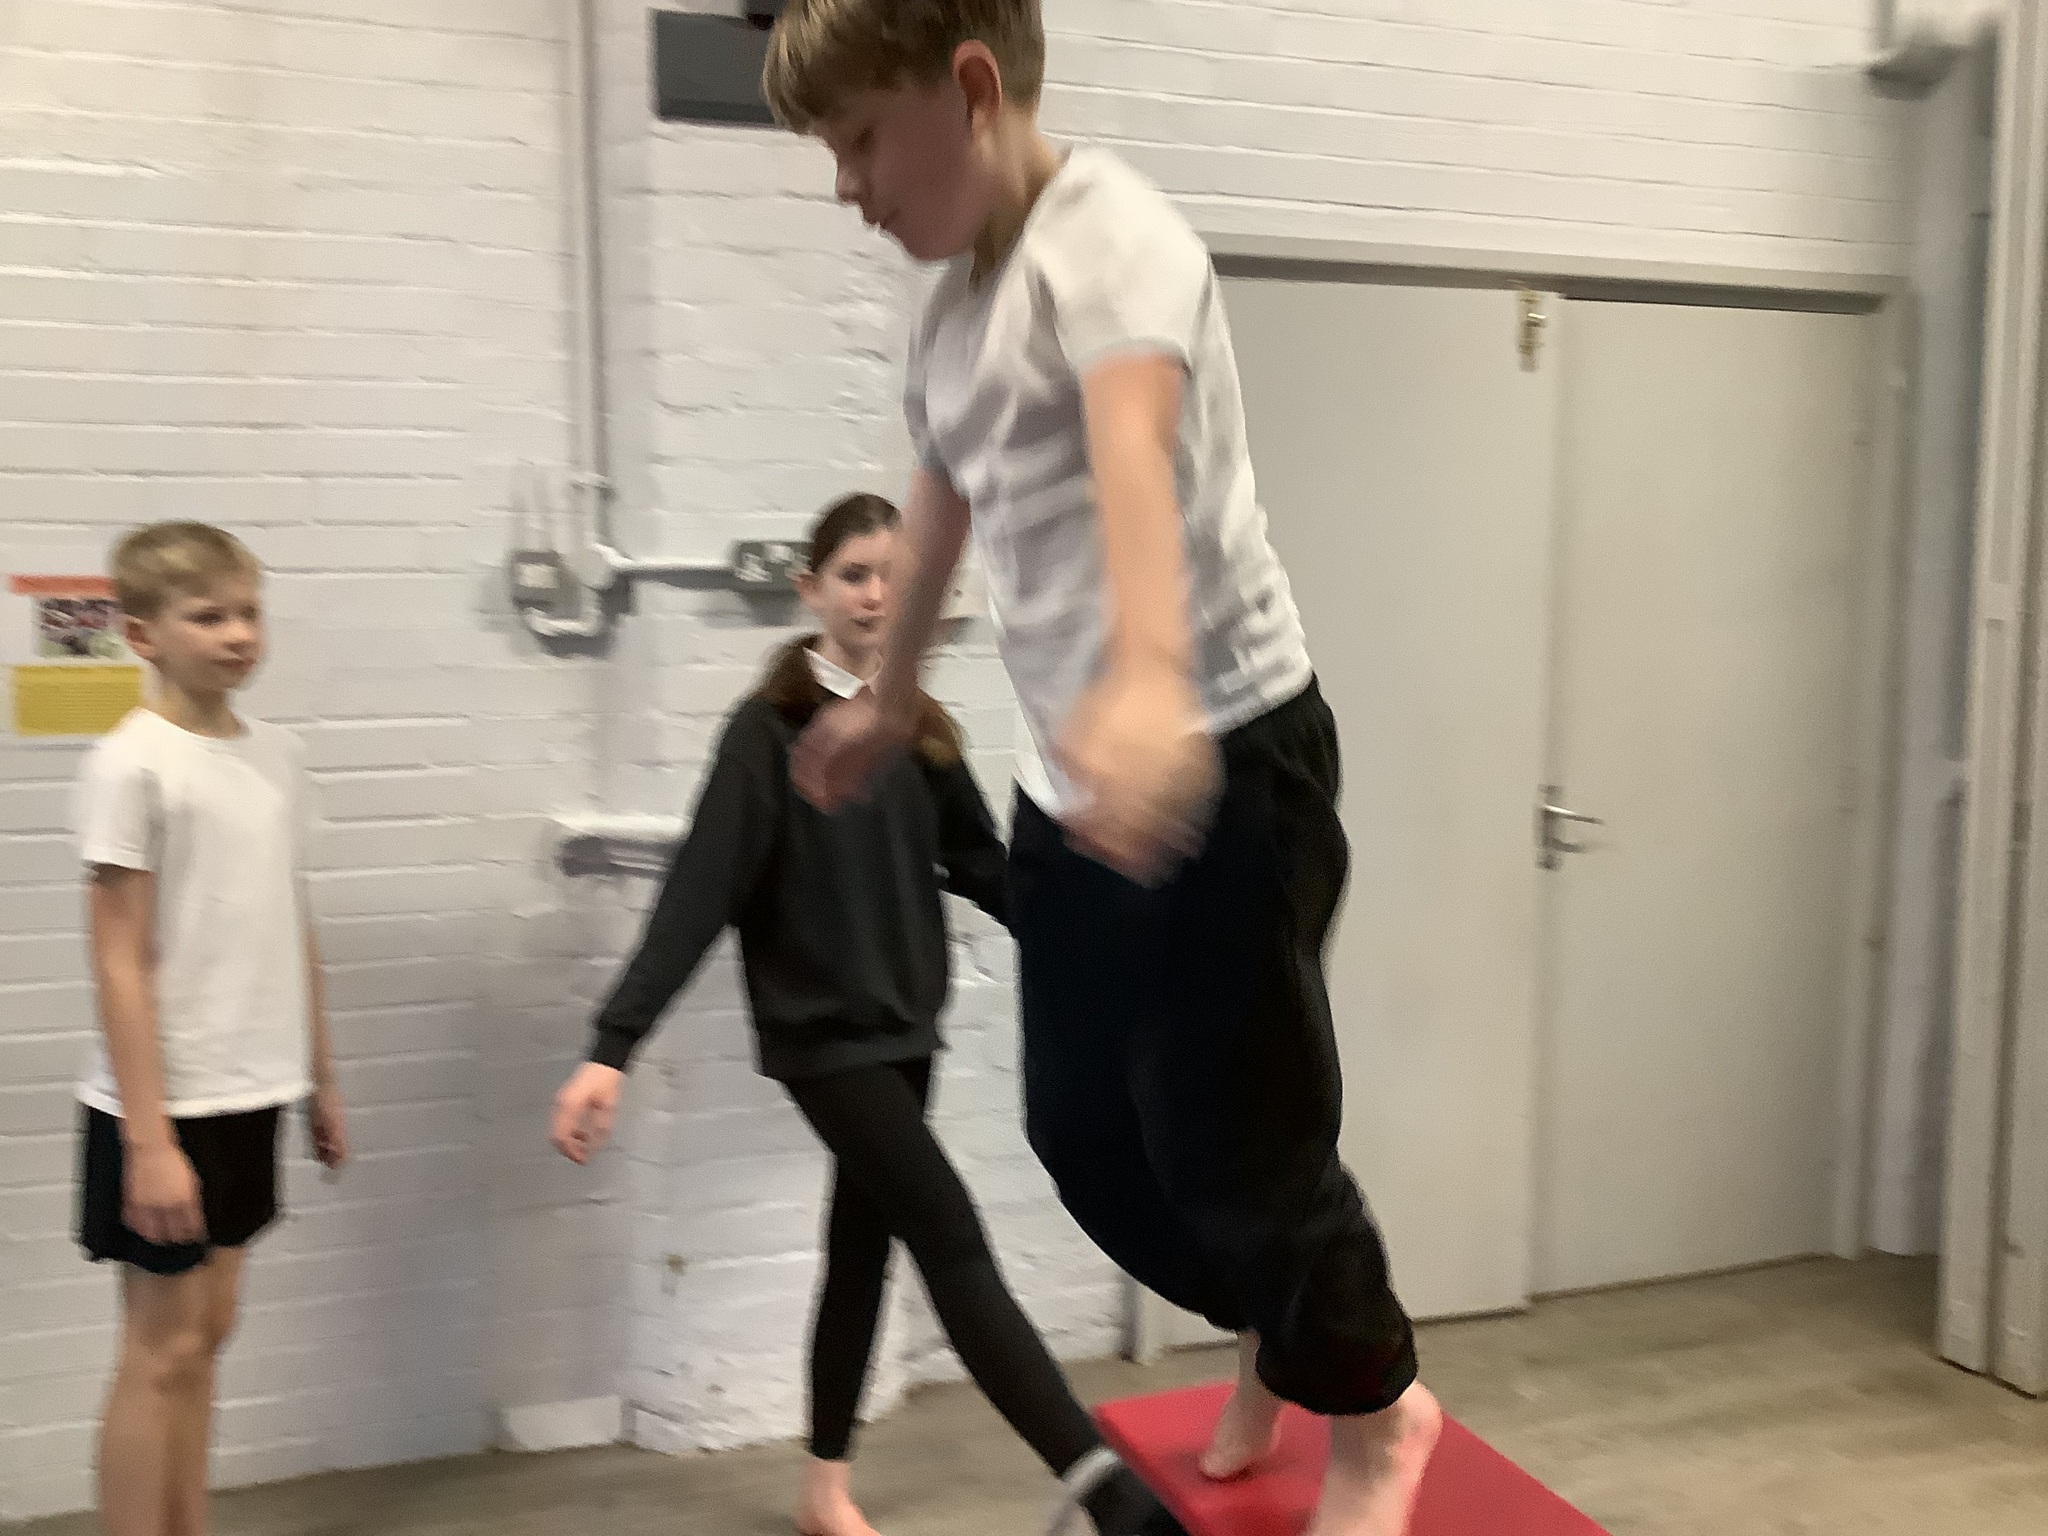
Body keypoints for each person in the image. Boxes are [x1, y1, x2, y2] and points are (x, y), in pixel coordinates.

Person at [763, 6, 1443, 1534]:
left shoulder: (1113, 241)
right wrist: (886, 699)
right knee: (1082, 1139)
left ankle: (1378, 1409)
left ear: (970, 88)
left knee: (1242, 1144)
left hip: (1225, 753)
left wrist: (1145, 688)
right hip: (1067, 788)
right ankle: (1282, 1328)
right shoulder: (951, 310)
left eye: (860, 140)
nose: (847, 188)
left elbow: (1132, 456)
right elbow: (944, 506)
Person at [549, 493, 1184, 1536]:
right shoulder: (766, 734)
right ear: (811, 590)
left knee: (862, 1245)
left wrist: (1099, 936)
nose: (876, 594)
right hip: (824, 1041)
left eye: (894, 576)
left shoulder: (919, 731)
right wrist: (610, 1049)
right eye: (853, 575)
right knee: (952, 1237)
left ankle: (823, 1491)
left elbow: (983, 868)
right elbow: (699, 892)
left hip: (904, 1029)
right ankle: (1105, 1491)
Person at [75, 521, 349, 1536]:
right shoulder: (131, 763)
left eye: (249, 613)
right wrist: (149, 1141)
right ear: (143, 635)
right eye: (209, 617)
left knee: (209, 1334)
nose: (238, 635)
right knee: (159, 1349)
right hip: (164, 1100)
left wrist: (320, 1080)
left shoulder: (279, 757)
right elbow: (117, 958)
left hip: (252, 1087)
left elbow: (289, 923)